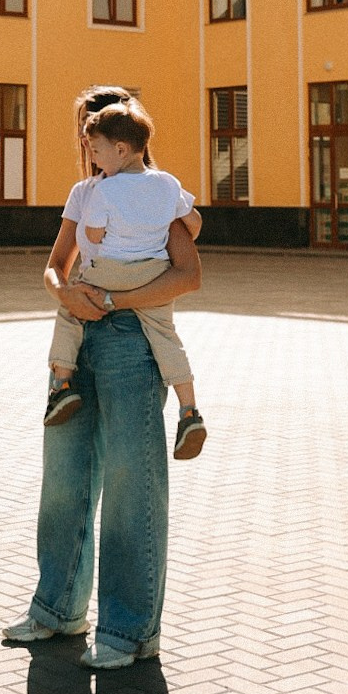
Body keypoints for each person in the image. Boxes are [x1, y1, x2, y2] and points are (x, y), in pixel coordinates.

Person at [5, 84, 203, 671]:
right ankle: (57, 609)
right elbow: (54, 265)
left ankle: (129, 630)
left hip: (131, 344)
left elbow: (187, 274)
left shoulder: (157, 197)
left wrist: (113, 300)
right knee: (63, 484)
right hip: (77, 339)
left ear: (125, 139)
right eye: (85, 126)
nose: (89, 138)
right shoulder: (85, 194)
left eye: (99, 126)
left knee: (130, 489)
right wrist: (65, 294)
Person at [44, 97, 208, 461]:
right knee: (167, 338)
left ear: (120, 148)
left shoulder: (101, 190)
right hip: (153, 272)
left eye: (95, 148)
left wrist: (89, 292)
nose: (91, 154)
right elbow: (194, 223)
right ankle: (189, 411)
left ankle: (61, 385)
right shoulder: (167, 184)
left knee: (70, 312)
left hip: (109, 272)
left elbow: (94, 235)